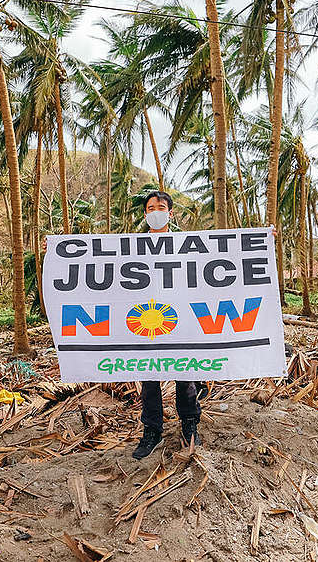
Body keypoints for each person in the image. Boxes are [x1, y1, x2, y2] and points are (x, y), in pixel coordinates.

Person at [132, 190, 202, 459]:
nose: (156, 211)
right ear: (146, 213)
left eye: (161, 207)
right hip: (146, 319)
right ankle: (152, 430)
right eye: (151, 207)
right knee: (149, 377)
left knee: (185, 373)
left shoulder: (185, 244)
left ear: (170, 213)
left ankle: (189, 424)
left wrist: (262, 241)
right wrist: (55, 249)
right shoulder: (133, 248)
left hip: (181, 317)